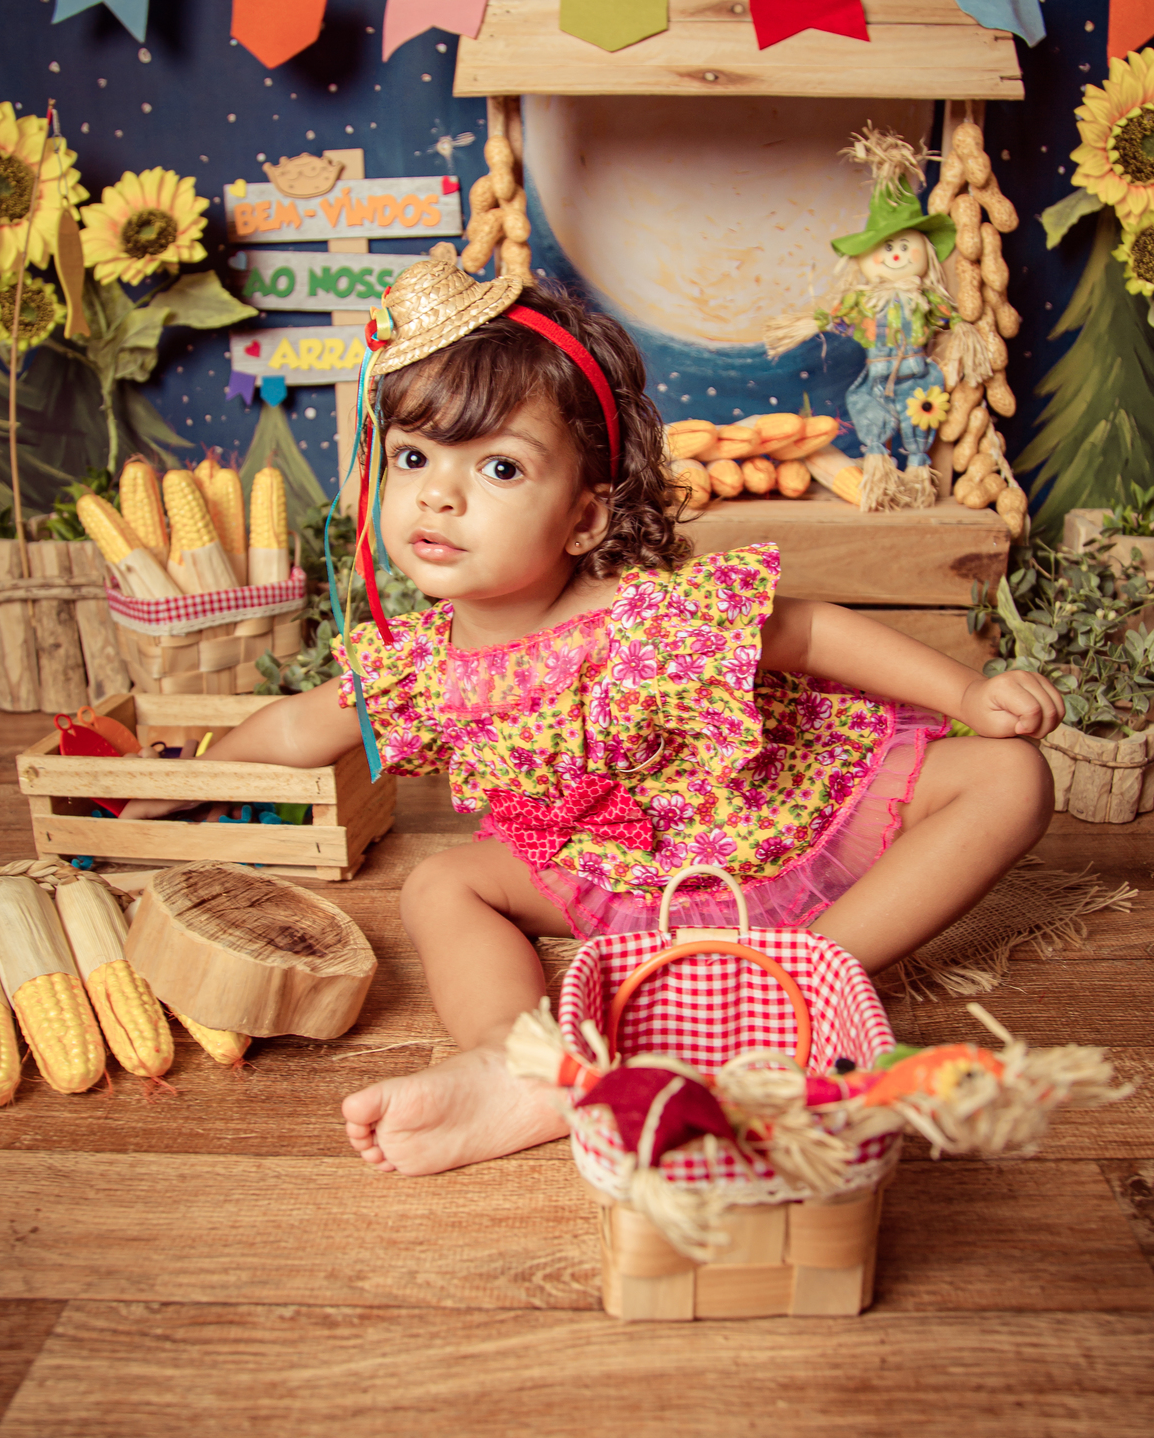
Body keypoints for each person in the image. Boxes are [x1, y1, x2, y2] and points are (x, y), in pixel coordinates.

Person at [121, 249, 1062, 1179]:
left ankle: (797, 977)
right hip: (608, 878)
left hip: (767, 824)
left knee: (1011, 776)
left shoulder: (642, 616)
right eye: (413, 456)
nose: (438, 493)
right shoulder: (421, 670)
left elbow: (807, 633)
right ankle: (518, 1060)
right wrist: (165, 786)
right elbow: (293, 729)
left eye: (498, 469)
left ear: (583, 516)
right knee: (442, 887)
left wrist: (967, 694)